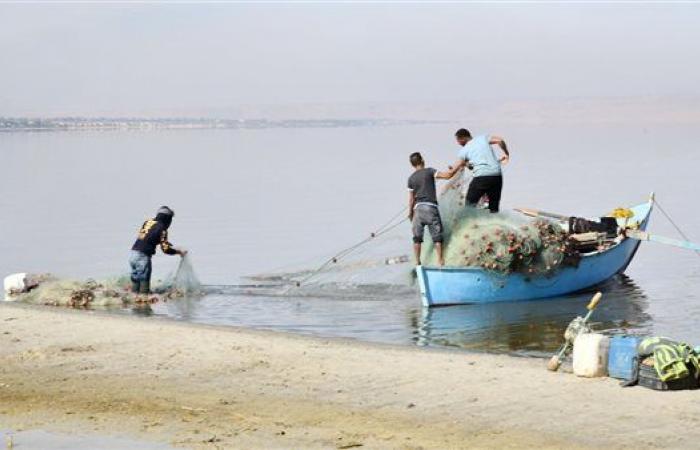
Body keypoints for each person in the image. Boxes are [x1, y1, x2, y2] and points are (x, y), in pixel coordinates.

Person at [440, 128, 510, 213]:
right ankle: (495, 222)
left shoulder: (464, 150)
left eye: (458, 141)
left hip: (481, 177)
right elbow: (500, 140)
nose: (458, 143)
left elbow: (452, 171)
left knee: (469, 206)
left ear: (462, 139)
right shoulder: (483, 138)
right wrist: (506, 153)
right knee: (494, 207)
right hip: (497, 175)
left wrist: (442, 174)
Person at [129, 206, 187, 295]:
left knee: (135, 287)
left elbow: (147, 236)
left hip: (133, 254)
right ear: (167, 219)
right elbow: (166, 249)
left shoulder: (148, 222)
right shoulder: (162, 229)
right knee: (144, 291)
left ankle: (134, 300)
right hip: (143, 257)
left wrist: (164, 242)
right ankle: (143, 303)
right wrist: (179, 252)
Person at [407, 152, 452, 266]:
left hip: (418, 210)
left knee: (417, 238)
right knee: (437, 237)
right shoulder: (430, 171)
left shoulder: (411, 179)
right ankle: (440, 261)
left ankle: (417, 262)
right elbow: (447, 176)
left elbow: (411, 200)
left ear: (412, 165)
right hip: (431, 208)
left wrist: (410, 214)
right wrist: (457, 167)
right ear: (422, 160)